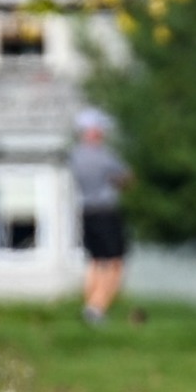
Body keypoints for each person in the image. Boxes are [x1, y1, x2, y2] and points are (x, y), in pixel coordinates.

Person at [69, 107, 133, 326]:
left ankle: (91, 304)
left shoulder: (75, 156)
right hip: (106, 212)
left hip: (86, 211)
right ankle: (96, 308)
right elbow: (126, 178)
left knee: (95, 261)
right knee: (115, 262)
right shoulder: (103, 156)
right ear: (92, 131)